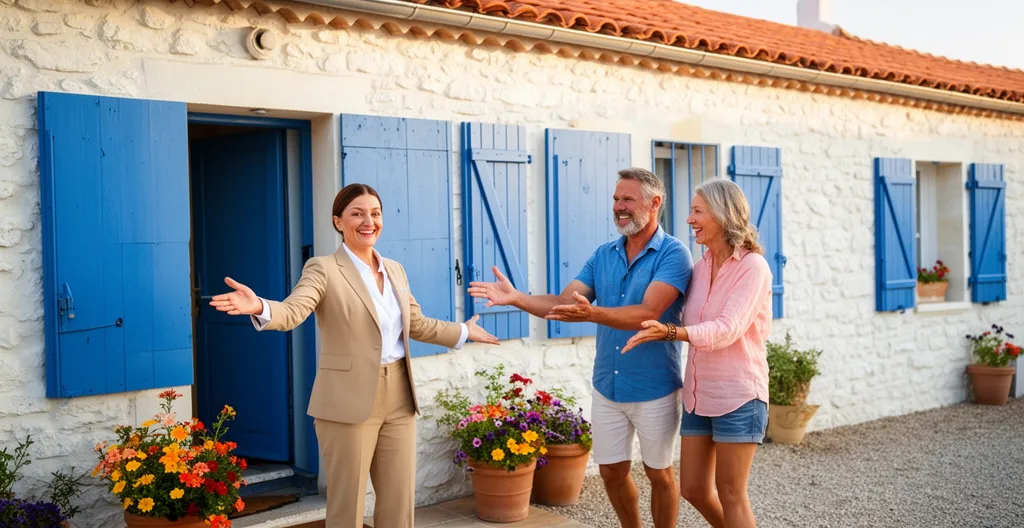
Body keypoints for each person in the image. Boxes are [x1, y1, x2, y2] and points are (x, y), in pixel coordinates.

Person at [209, 183, 499, 528]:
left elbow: (416, 323)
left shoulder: (394, 269)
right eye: (357, 213)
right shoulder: (323, 268)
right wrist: (258, 305)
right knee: (347, 505)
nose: (368, 221)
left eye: (375, 213)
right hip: (346, 401)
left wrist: (464, 331)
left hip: (399, 396)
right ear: (338, 221)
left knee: (399, 502)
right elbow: (294, 310)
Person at [468, 168, 693, 528]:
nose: (618, 207)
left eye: (627, 199)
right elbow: (562, 302)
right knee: (612, 473)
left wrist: (591, 314)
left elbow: (648, 313)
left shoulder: (674, 254)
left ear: (655, 203)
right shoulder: (603, 254)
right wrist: (516, 298)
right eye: (616, 199)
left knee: (659, 474)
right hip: (608, 384)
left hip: (654, 388)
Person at [622, 178, 772, 528]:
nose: (689, 219)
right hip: (697, 396)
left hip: (739, 395)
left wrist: (673, 333)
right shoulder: (700, 267)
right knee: (692, 488)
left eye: (697, 211)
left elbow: (727, 328)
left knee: (731, 491)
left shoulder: (753, 268)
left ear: (723, 215)